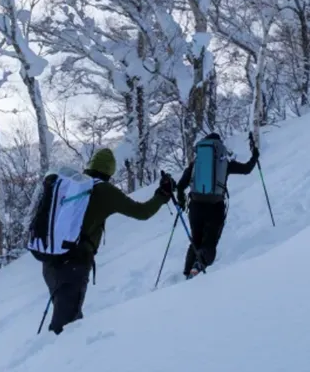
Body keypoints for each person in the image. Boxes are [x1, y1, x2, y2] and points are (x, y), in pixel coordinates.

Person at [27, 148, 173, 334]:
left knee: (67, 314)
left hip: (50, 259)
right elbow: (142, 212)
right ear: (110, 171)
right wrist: (161, 195)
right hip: (74, 263)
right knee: (65, 327)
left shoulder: (73, 186)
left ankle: (70, 355)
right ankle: (60, 358)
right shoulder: (104, 191)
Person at [175, 132, 259, 279]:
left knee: (196, 239)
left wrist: (181, 202)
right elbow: (247, 169)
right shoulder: (223, 162)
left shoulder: (195, 164)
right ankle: (198, 267)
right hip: (215, 206)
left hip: (195, 206)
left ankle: (187, 272)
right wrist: (255, 156)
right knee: (210, 241)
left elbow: (181, 185)